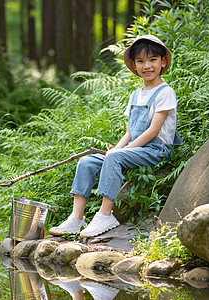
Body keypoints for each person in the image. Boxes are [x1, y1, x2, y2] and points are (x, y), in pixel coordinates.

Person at [49, 35, 182, 238]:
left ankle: (105, 214)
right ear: (133, 65)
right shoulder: (136, 95)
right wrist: (116, 150)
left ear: (163, 62)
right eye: (140, 61)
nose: (147, 66)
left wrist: (121, 153)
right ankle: (76, 219)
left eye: (153, 60)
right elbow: (130, 132)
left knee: (114, 157)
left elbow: (153, 131)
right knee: (86, 162)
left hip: (156, 149)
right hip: (136, 148)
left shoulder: (165, 92)